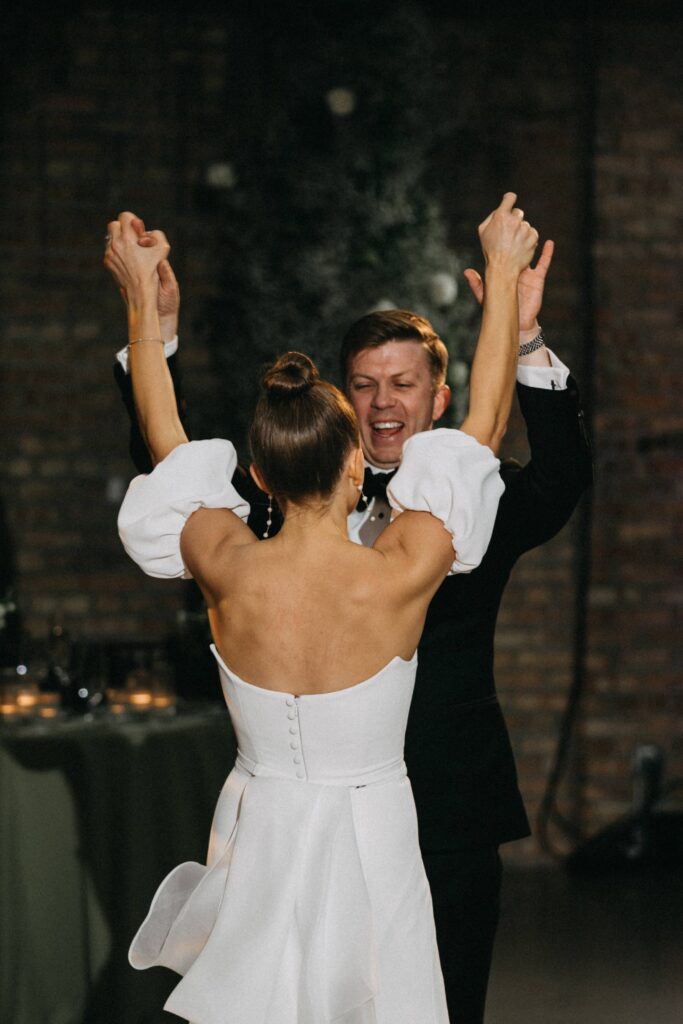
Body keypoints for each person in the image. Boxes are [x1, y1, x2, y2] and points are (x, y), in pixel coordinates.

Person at [111, 208, 592, 1023]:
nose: (380, 403)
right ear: (341, 419)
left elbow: (171, 454)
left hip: (430, 812)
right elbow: (483, 425)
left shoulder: (229, 545)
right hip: (350, 816)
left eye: (402, 385)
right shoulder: (428, 537)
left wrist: (143, 317)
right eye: (362, 385)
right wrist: (502, 285)